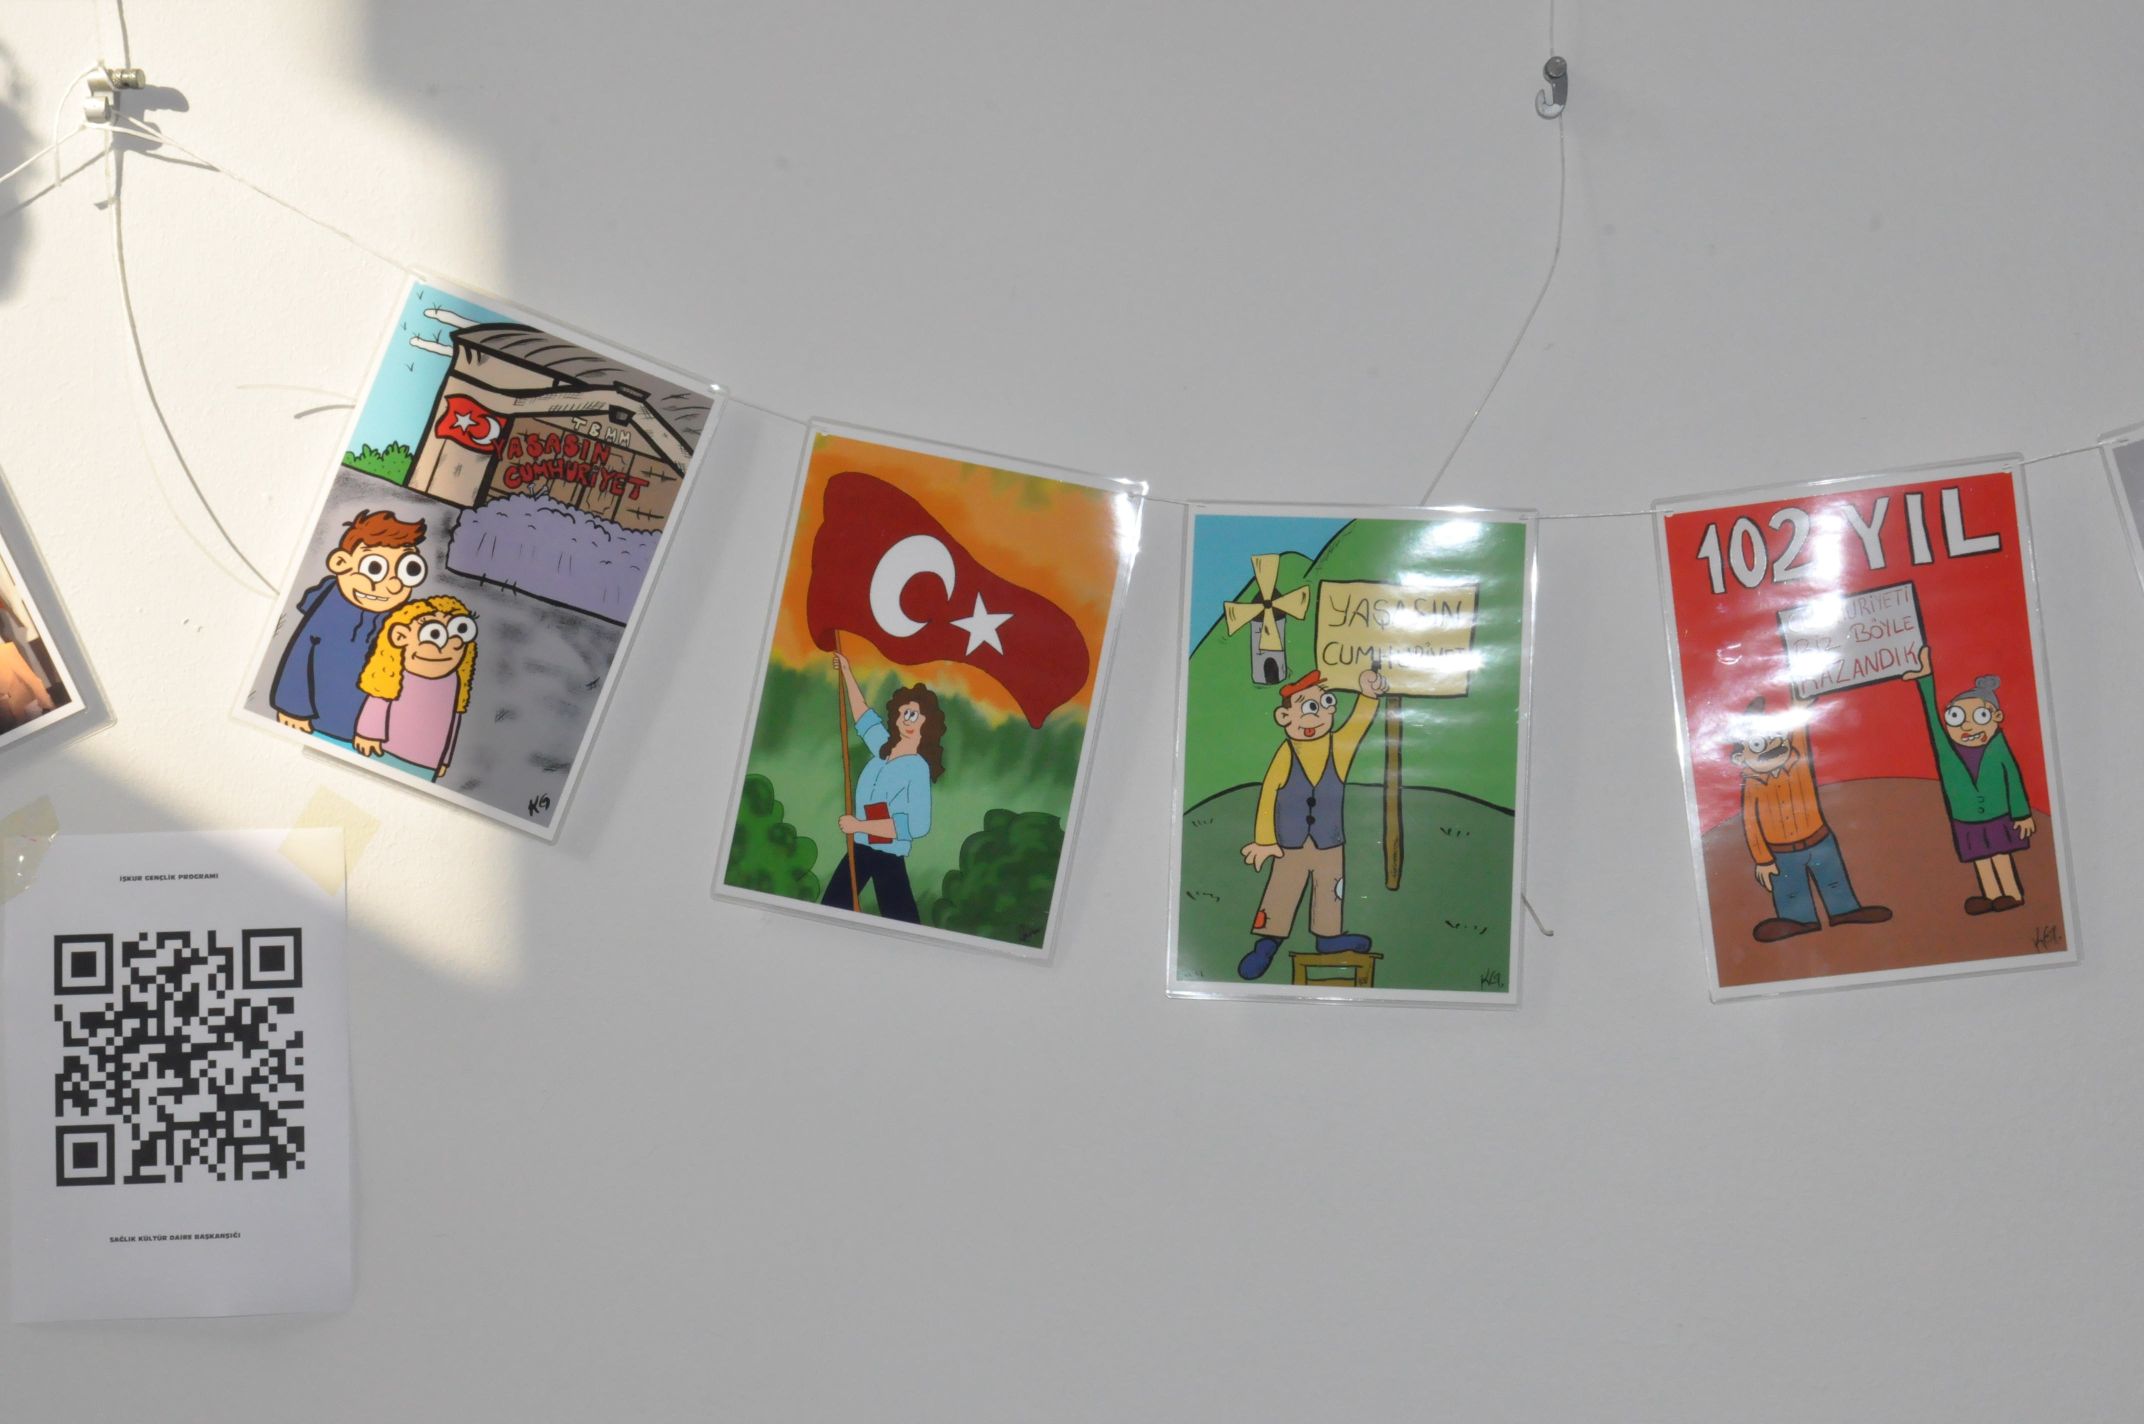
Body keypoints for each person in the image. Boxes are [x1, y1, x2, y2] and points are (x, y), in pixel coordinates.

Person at [1236, 666, 1388, 981]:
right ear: (1284, 717)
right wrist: (1265, 840)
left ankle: (1328, 936)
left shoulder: (1338, 749)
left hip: (1329, 840)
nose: (1319, 714)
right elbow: (1269, 793)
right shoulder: (1286, 752)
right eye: (1309, 707)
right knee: (1282, 890)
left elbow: (1357, 726)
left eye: (1326, 703)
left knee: (1330, 889)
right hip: (1290, 842)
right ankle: (1268, 942)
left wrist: (1368, 695)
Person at [1729, 690, 1892, 942]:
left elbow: (1799, 733)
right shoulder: (1752, 787)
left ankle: (1845, 911)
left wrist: (1799, 707)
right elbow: (1752, 825)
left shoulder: (1798, 763)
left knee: (1834, 881)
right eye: (1759, 744)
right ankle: (1797, 921)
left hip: (1819, 840)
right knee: (1790, 892)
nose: (1771, 746)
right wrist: (1763, 860)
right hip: (1781, 853)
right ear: (1740, 757)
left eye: (1776, 738)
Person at [269, 510, 428, 748]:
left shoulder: (400, 619)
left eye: (409, 570)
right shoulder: (328, 605)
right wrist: (292, 708)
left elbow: (393, 676)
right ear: (341, 562)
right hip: (307, 721)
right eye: (374, 568)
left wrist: (374, 729)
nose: (393, 585)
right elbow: (300, 656)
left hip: (361, 731)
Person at [1902, 647, 2037, 913]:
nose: (1966, 726)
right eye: (1956, 717)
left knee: (2000, 854)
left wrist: (2022, 814)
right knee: (1980, 858)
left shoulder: (1998, 748)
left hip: (1999, 814)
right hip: (1966, 818)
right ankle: (1991, 895)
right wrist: (1925, 679)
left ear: (1996, 717)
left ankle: (2011, 893)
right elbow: (1933, 721)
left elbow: (2013, 778)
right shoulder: (1948, 752)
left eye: (1979, 716)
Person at [820, 652, 942, 923]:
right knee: (830, 907)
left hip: (887, 853)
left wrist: (860, 825)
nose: (907, 719)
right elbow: (863, 715)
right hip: (861, 847)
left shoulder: (917, 767)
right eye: (903, 712)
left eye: (914, 714)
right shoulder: (883, 749)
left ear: (927, 723)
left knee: (901, 920)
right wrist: (847, 672)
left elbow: (918, 825)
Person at [352, 596, 477, 782]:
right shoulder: (393, 671)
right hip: (384, 750)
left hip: (427, 762)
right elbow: (379, 699)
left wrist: (444, 760)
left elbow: (454, 719)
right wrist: (368, 734)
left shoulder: (454, 680)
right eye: (433, 634)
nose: (449, 645)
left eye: (460, 632)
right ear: (400, 636)